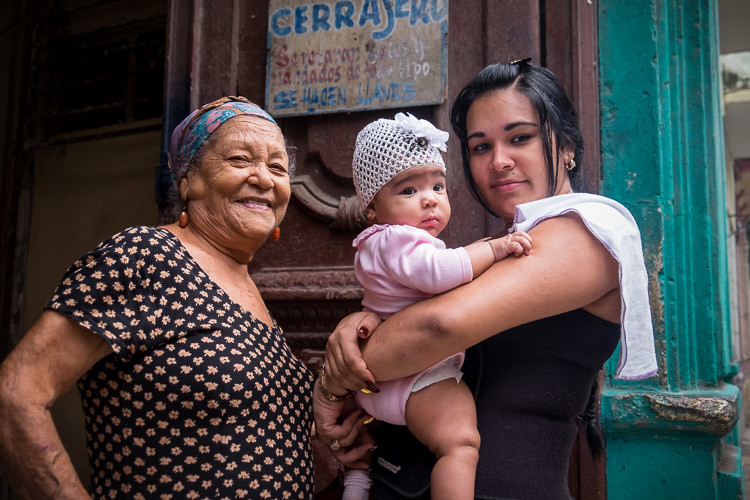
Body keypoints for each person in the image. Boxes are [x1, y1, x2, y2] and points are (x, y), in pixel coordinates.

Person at [314, 60, 657, 499]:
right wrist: (362, 321)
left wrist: (332, 381)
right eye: (479, 147)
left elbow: (439, 326)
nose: (498, 161)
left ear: (567, 145)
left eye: (520, 138)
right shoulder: (507, 241)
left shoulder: (589, 228)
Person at [0, 96, 317, 499]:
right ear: (189, 180)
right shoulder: (146, 257)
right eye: (240, 160)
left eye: (278, 167)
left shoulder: (253, 295)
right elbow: (16, 396)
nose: (264, 178)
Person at [337, 113, 532, 500]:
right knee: (459, 443)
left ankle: (356, 487)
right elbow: (438, 273)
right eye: (408, 191)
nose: (429, 198)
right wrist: (490, 249)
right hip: (418, 376)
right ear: (373, 208)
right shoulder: (399, 239)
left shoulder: (374, 243)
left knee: (368, 445)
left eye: (438, 186)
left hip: (377, 384)